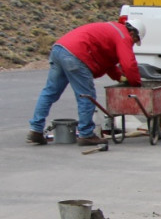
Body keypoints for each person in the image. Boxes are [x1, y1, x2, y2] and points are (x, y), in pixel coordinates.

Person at [27, 18, 145, 146]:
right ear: (133, 33)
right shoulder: (124, 36)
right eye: (135, 41)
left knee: (50, 92)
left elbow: (108, 62)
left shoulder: (112, 29)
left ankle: (36, 130)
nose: (132, 44)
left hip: (59, 49)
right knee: (86, 96)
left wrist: (120, 77)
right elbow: (129, 64)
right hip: (76, 54)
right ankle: (86, 134)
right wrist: (136, 83)